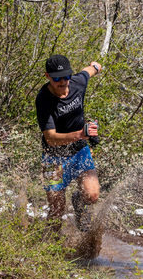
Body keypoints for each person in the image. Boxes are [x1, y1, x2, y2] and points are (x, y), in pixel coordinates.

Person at [35, 54, 102, 232]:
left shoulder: (77, 82)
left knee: (92, 195)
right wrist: (80, 134)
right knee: (57, 211)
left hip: (79, 151)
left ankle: (79, 201)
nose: (63, 82)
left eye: (66, 76)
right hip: (53, 157)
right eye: (57, 78)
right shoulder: (43, 100)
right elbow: (50, 137)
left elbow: (89, 71)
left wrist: (95, 66)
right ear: (47, 76)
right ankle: (49, 250)